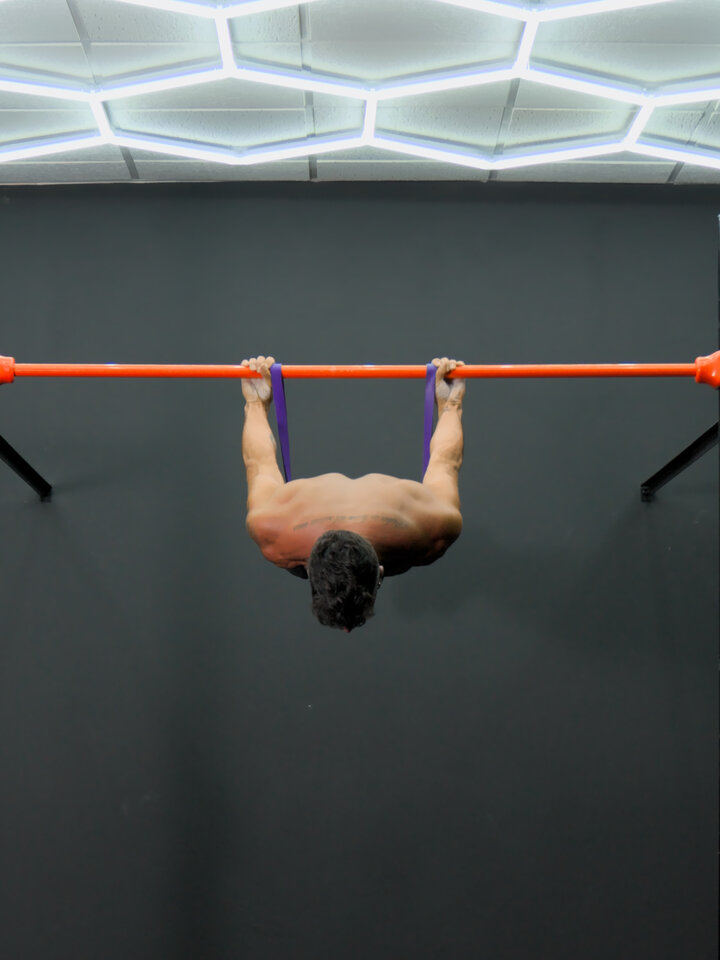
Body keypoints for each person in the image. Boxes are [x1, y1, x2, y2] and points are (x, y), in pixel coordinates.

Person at [242, 355, 465, 633]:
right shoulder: (270, 530)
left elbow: (445, 465)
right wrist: (255, 402)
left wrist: (452, 404)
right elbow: (259, 464)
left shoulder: (431, 532)